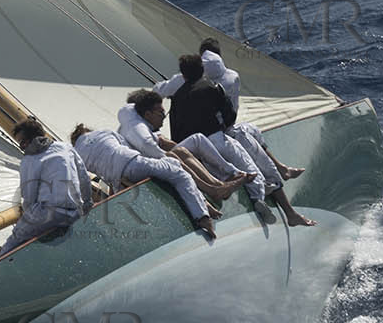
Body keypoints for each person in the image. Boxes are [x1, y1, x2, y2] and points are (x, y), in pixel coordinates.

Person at [166, 54, 314, 227]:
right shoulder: (213, 87)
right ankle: (267, 201)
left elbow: (175, 135)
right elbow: (230, 116)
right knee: (252, 169)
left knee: (229, 171)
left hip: (195, 152)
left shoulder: (176, 99)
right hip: (218, 140)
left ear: (183, 75)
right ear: (202, 70)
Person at [70, 124, 217, 240]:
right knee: (178, 172)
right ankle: (203, 215)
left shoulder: (77, 154)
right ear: (87, 131)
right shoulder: (103, 132)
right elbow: (129, 146)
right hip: (133, 163)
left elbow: (85, 179)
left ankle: (200, 204)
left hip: (117, 180)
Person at [119, 89, 250, 203]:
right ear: (146, 113)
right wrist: (183, 156)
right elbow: (156, 150)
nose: (164, 116)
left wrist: (189, 155)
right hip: (145, 168)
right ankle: (215, 187)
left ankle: (229, 175)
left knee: (195, 140)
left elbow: (164, 142)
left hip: (151, 159)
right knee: (177, 155)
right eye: (161, 113)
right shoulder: (138, 130)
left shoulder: (141, 123)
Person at [0, 118, 92, 258]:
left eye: (22, 142)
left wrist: (28, 217)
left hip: (47, 213)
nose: (22, 147)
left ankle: (1, 259)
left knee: (17, 236)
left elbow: (29, 196)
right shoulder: (65, 147)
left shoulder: (28, 161)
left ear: (32, 139)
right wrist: (87, 206)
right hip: (74, 211)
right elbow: (84, 179)